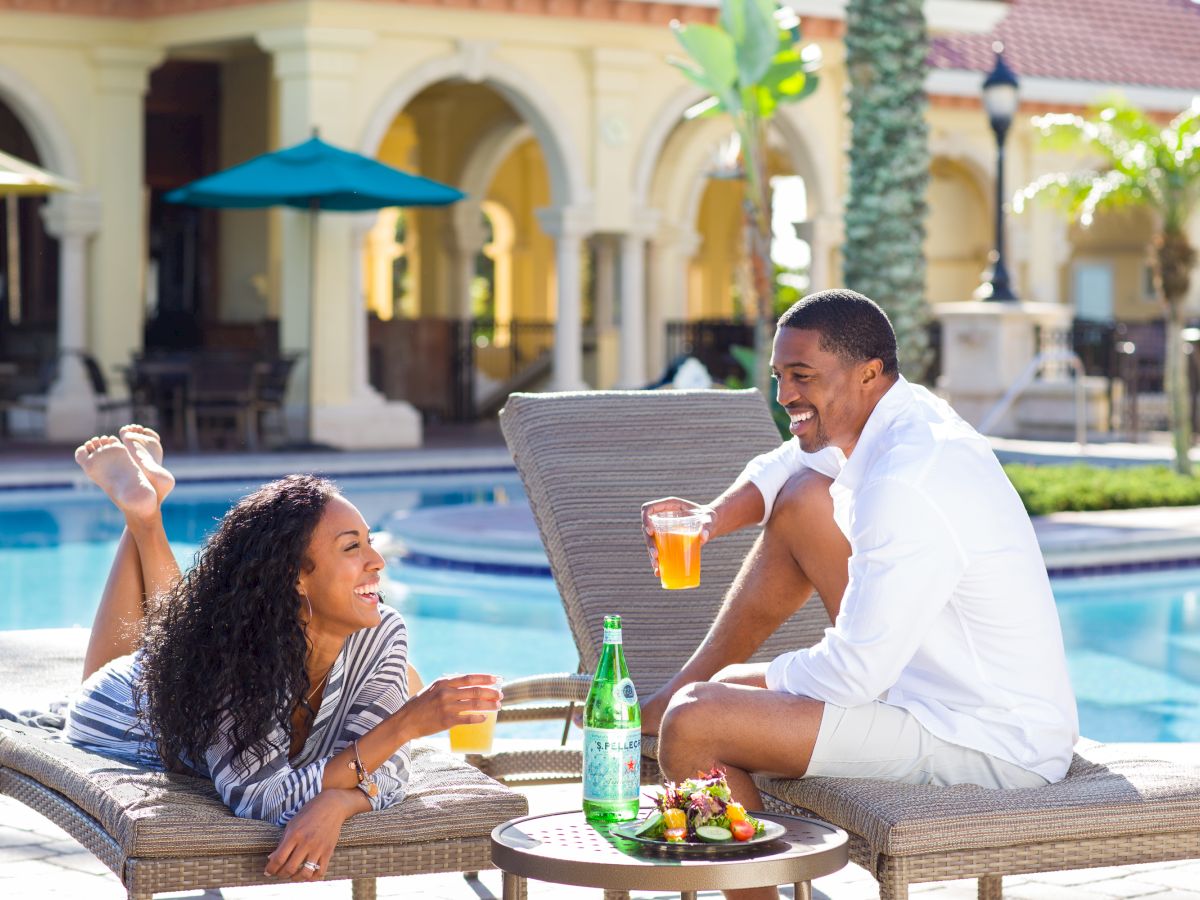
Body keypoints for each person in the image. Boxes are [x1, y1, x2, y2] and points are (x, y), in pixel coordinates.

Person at [640, 289, 1077, 899]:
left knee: (693, 725)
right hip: (931, 694)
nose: (785, 394)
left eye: (802, 376)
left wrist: (747, 684)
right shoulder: (900, 415)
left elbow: (853, 676)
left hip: (989, 739)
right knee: (800, 502)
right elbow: (787, 462)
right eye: (779, 377)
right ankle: (684, 704)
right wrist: (709, 520)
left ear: (869, 373)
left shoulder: (906, 479)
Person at [64, 425, 501, 883]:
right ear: (296, 578)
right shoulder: (236, 658)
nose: (377, 560)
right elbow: (261, 799)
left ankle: (143, 508)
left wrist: (340, 801)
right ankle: (143, 516)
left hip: (188, 663)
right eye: (352, 547)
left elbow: (389, 768)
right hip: (122, 714)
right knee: (164, 643)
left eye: (371, 541)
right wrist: (407, 722)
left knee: (180, 630)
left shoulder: (382, 632)